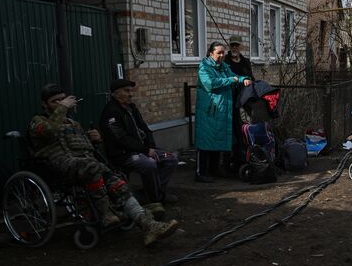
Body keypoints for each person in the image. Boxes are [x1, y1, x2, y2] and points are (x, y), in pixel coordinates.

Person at [28, 83, 179, 246]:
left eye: (62, 100)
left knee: (116, 181)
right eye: (54, 102)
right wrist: (63, 108)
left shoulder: (73, 124)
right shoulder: (38, 121)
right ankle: (106, 214)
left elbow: (91, 150)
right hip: (59, 165)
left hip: (86, 165)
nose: (59, 104)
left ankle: (149, 225)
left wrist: (96, 140)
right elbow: (48, 131)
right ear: (45, 104)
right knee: (93, 166)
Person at [99, 79, 178, 220]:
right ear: (116, 94)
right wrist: (145, 150)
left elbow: (145, 129)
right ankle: (155, 200)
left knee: (170, 158)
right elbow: (121, 139)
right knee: (148, 164)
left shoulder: (131, 108)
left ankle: (152, 193)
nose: (131, 94)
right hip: (124, 154)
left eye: (131, 91)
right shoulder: (111, 112)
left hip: (142, 149)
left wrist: (151, 147)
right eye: (127, 91)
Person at [194, 41, 252, 182]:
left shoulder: (224, 67)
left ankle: (213, 170)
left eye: (222, 52)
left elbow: (235, 76)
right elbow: (211, 84)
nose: (221, 55)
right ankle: (201, 173)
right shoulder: (204, 68)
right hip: (209, 111)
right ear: (211, 53)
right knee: (205, 143)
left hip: (221, 111)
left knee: (215, 141)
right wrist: (232, 80)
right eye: (218, 52)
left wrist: (244, 79)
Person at [224, 35, 254, 174]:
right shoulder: (225, 61)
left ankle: (243, 158)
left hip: (244, 100)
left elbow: (251, 78)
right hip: (230, 100)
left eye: (237, 45)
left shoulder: (245, 61)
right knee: (232, 130)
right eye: (232, 45)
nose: (234, 47)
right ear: (229, 46)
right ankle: (230, 160)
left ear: (241, 46)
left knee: (243, 128)